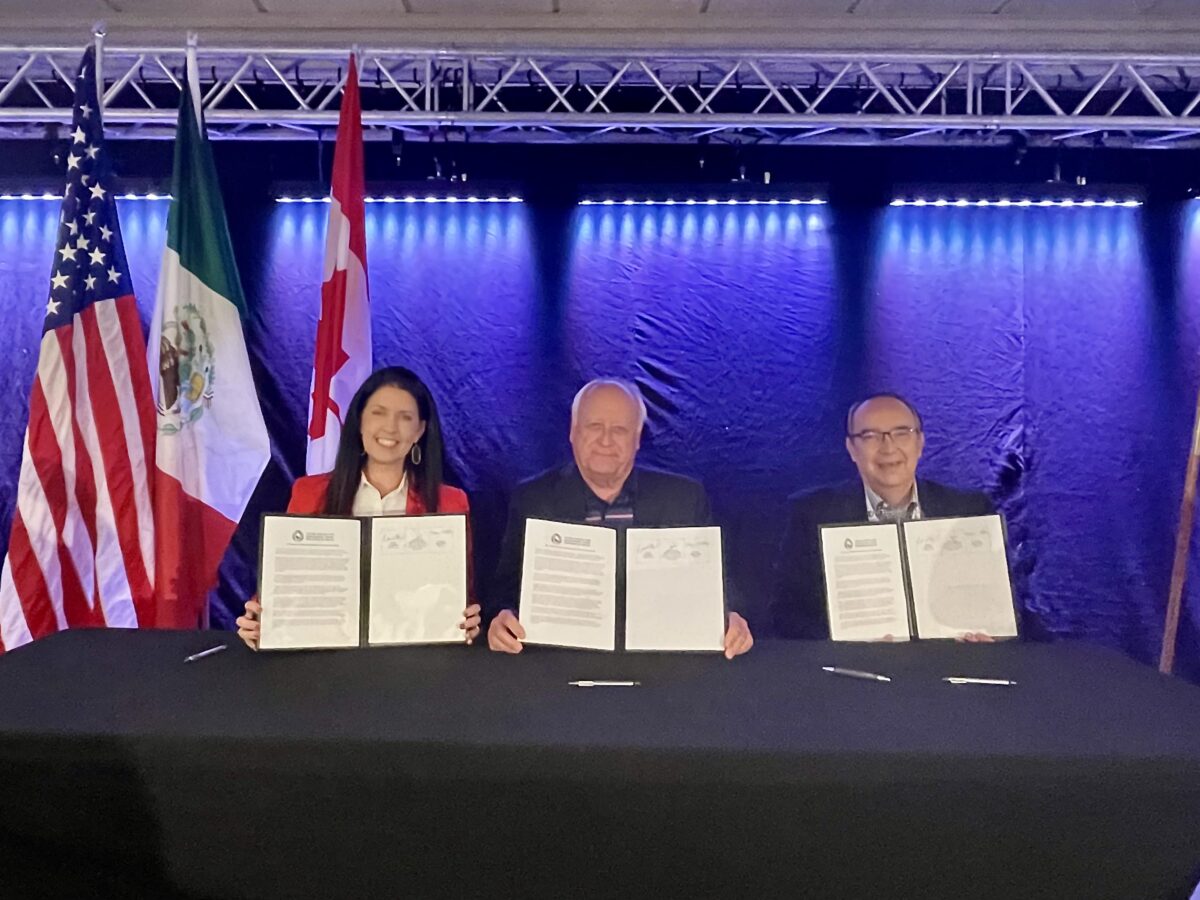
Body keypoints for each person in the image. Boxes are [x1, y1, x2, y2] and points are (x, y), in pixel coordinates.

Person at [486, 378, 753, 659]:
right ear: (573, 432)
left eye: (619, 430)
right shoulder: (533, 498)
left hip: (661, 669)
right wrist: (500, 619)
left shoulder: (684, 499)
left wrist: (731, 618)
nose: (605, 440)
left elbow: (720, 590)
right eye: (594, 427)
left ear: (637, 440)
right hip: (560, 667)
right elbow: (505, 591)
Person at [236, 367, 481, 649]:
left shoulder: (450, 502)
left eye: (405, 418)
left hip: (414, 660)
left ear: (420, 431)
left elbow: (461, 593)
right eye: (379, 413)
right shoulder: (310, 493)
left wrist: (467, 620)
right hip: (326, 657)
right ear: (360, 421)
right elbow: (287, 580)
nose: (390, 427)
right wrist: (260, 620)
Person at [770, 392, 995, 641]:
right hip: (855, 670)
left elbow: (999, 601)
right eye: (870, 436)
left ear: (920, 443)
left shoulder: (969, 509)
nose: (888, 447)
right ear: (852, 449)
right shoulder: (813, 512)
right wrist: (844, 642)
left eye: (901, 433)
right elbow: (787, 614)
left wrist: (989, 632)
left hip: (952, 661)